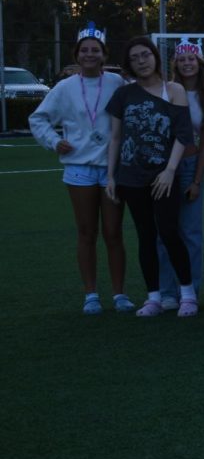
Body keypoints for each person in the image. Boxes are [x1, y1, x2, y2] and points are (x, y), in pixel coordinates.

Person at [29, 22, 132, 315]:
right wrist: (54, 141)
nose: (89, 54)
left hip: (111, 168)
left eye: (95, 50)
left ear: (103, 54)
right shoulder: (64, 87)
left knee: (113, 232)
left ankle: (120, 293)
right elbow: (39, 119)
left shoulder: (116, 83)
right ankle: (91, 294)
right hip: (79, 168)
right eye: (84, 50)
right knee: (87, 232)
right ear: (76, 54)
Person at [104, 36, 196, 317]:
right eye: (135, 58)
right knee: (146, 236)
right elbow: (117, 137)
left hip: (163, 177)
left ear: (155, 56)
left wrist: (169, 171)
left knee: (169, 231)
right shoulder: (124, 94)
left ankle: (187, 294)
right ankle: (154, 297)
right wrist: (111, 175)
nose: (141, 61)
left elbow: (184, 134)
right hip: (131, 177)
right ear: (129, 64)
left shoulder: (174, 89)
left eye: (145, 55)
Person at [157, 37, 204, 310]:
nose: (187, 63)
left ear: (200, 63)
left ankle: (190, 291)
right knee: (165, 231)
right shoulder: (165, 92)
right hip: (165, 166)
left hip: (190, 166)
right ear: (175, 64)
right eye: (182, 59)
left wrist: (196, 180)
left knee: (191, 233)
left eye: (192, 59)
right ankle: (167, 292)